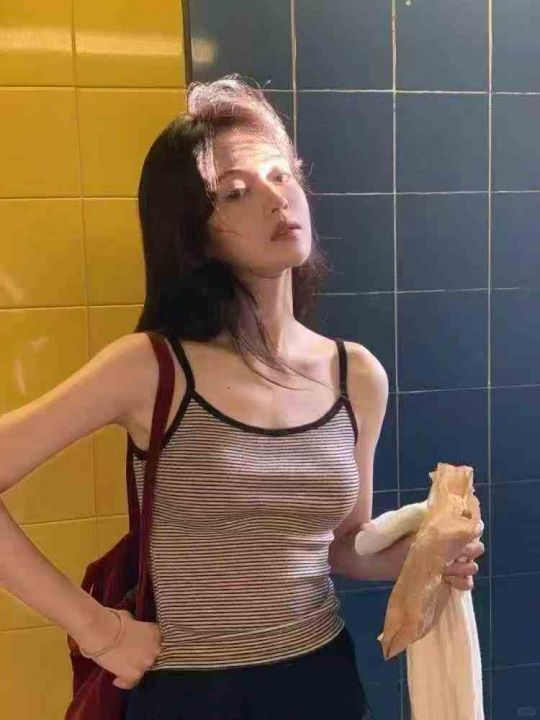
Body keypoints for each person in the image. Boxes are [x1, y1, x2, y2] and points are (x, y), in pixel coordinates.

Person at [0, 76, 484, 720]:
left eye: (281, 175)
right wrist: (99, 631)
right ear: (195, 234)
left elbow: (340, 545)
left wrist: (425, 559)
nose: (276, 198)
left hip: (323, 683)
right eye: (235, 191)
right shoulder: (151, 369)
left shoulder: (356, 376)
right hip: (189, 693)